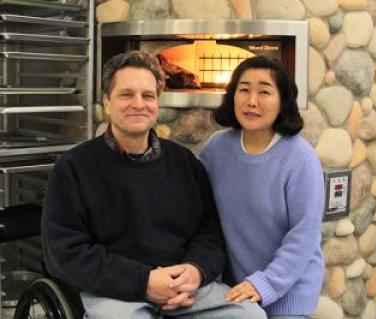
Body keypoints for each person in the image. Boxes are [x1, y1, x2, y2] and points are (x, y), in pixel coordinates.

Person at [41, 51, 266, 319]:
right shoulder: (73, 168)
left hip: (183, 286)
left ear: (157, 103)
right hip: (115, 291)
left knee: (250, 316)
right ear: (107, 103)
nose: (139, 104)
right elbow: (64, 254)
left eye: (148, 96)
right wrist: (144, 281)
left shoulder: (185, 163)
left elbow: (209, 232)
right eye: (126, 95)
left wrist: (195, 271)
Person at [199, 56, 325, 319]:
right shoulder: (216, 149)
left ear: (283, 102)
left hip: (287, 291)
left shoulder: (300, 158)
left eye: (264, 91)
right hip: (234, 290)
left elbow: (304, 236)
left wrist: (264, 284)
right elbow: (194, 209)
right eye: (243, 90)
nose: (251, 100)